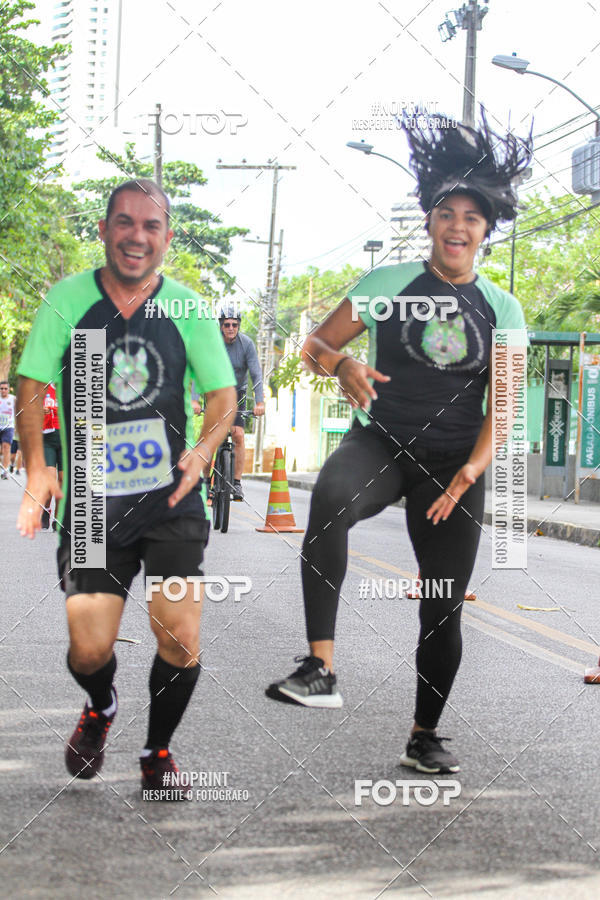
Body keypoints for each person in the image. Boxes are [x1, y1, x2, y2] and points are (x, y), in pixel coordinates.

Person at [266, 110, 532, 775]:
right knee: (328, 496)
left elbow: (503, 410)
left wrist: (469, 475)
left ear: (486, 231)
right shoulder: (387, 286)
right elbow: (318, 344)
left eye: (472, 217)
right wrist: (345, 365)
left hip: (453, 467)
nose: (458, 226)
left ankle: (424, 733)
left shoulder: (504, 310)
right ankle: (320, 667)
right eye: (447, 213)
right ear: (430, 221)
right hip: (381, 446)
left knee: (443, 606)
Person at [16, 178, 237, 791]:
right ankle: (100, 705)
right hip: (89, 500)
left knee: (179, 632)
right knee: (88, 649)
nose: (136, 236)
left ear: (166, 236)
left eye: (151, 225)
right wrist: (38, 466)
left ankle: (157, 753)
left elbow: (222, 395)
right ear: (105, 229)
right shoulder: (69, 301)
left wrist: (203, 447)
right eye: (124, 222)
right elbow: (31, 383)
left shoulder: (187, 308)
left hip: (170, 496)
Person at [215, 305, 265, 500]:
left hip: (238, 392)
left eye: (234, 324)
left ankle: (236, 483)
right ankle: (204, 482)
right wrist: (194, 400)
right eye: (226, 324)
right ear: (220, 326)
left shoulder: (247, 344)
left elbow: (256, 374)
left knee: (238, 435)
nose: (230, 328)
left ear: (239, 326)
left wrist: (259, 402)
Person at [41, 382, 62, 530]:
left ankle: (58, 518)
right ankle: (45, 509)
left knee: (62, 480)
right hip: (48, 440)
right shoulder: (44, 388)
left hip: (67, 440)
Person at [0, 380, 16, 479]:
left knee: (6, 447)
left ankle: (5, 470)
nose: (3, 390)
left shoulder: (13, 399)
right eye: (1, 389)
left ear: (8, 389)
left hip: (9, 427)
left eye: (5, 388)